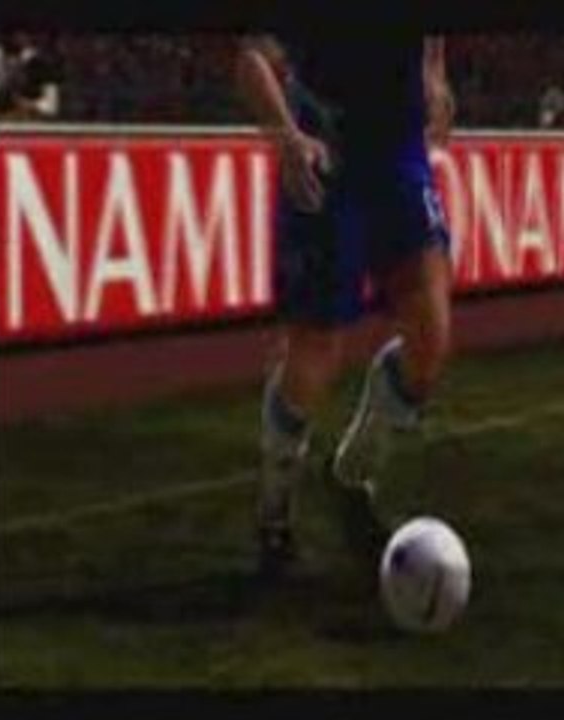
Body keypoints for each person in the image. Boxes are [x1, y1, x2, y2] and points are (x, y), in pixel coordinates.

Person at [236, 33, 455, 579]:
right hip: (325, 148)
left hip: (398, 153)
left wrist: (433, 76)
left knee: (430, 338)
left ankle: (352, 475)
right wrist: (287, 137)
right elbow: (252, 55)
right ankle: (274, 508)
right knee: (316, 350)